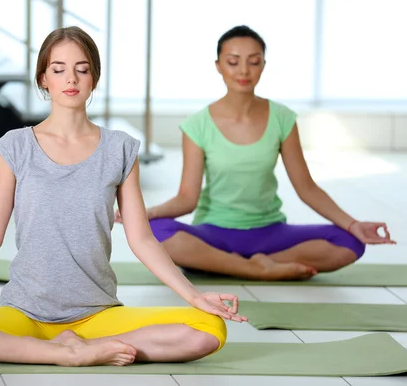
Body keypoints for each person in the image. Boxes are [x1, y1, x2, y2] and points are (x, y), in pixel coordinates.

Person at [0, 26, 247, 368]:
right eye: (58, 69)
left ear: (94, 78)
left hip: (97, 314)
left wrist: (195, 297)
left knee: (207, 331)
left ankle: (80, 347)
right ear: (43, 79)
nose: (71, 79)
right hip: (23, 314)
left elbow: (141, 238)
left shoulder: (120, 149)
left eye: (82, 70)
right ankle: (65, 353)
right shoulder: (15, 147)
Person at [118, 25, 396, 281]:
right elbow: (186, 199)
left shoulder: (282, 118)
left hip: (271, 232)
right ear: (218, 66)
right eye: (233, 61)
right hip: (214, 234)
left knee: (350, 242)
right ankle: (254, 269)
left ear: (263, 64)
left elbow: (307, 188)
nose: (243, 71)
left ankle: (239, 264)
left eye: (254, 61)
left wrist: (354, 224)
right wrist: (145, 213)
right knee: (157, 231)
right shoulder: (197, 125)